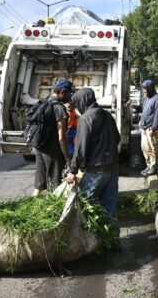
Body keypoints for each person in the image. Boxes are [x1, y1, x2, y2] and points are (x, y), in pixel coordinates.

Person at [64, 88, 120, 219]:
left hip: (95, 171)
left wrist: (73, 170)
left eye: (77, 103)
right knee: (109, 207)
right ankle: (110, 237)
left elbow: (80, 148)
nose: (77, 107)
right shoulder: (107, 115)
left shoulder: (85, 119)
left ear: (83, 101)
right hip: (112, 168)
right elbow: (117, 138)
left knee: (87, 208)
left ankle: (93, 237)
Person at [33, 79, 73, 196]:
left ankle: (32, 204)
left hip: (40, 147)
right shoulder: (59, 108)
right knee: (54, 185)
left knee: (39, 184)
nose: (70, 96)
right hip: (52, 150)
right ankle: (53, 211)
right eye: (69, 93)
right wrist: (67, 158)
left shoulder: (44, 102)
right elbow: (62, 137)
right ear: (62, 92)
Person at [131, 80, 158, 176]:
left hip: (150, 129)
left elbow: (157, 115)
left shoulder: (157, 99)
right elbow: (143, 109)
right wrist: (135, 107)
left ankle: (153, 167)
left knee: (152, 149)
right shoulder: (147, 99)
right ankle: (148, 166)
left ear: (151, 89)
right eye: (143, 89)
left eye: (145, 89)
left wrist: (154, 129)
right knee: (145, 148)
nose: (144, 90)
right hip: (144, 128)